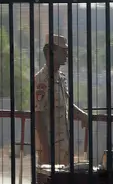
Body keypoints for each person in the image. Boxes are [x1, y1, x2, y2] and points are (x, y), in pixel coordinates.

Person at [33, 34, 88, 167]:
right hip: (50, 146)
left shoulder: (61, 77)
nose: (66, 54)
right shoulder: (41, 80)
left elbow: (66, 102)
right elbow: (38, 116)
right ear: (51, 52)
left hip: (64, 144)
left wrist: (82, 114)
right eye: (63, 51)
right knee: (49, 183)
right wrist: (46, 151)